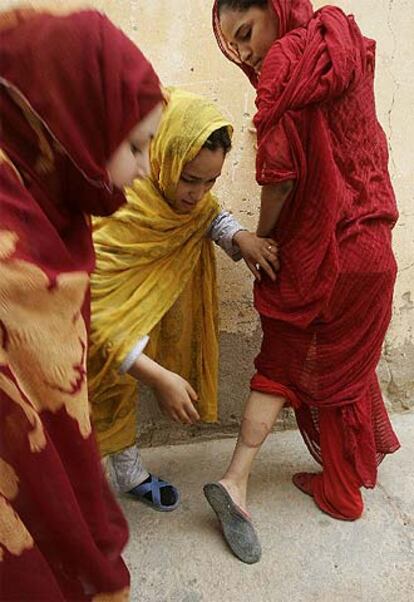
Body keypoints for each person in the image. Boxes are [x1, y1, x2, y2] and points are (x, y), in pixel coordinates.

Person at [204, 0, 400, 564]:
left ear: (274, 8)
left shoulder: (285, 65)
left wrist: (264, 238)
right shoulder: (339, 41)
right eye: (234, 46)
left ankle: (235, 482)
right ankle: (340, 488)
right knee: (344, 368)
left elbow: (282, 177)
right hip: (374, 248)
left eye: (246, 32)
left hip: (326, 253)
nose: (245, 53)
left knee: (280, 362)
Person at [0, 7, 163, 599]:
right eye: (137, 146)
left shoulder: (52, 205)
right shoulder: (15, 256)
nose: (144, 170)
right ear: (76, 120)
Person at [88, 87, 279, 511]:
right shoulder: (122, 202)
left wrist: (240, 237)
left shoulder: (187, 203)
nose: (198, 192)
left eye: (210, 181)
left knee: (117, 393)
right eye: (189, 179)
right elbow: (93, 315)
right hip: (75, 343)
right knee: (72, 417)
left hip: (128, 334)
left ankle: (129, 473)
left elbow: (208, 214)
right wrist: (160, 378)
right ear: (164, 158)